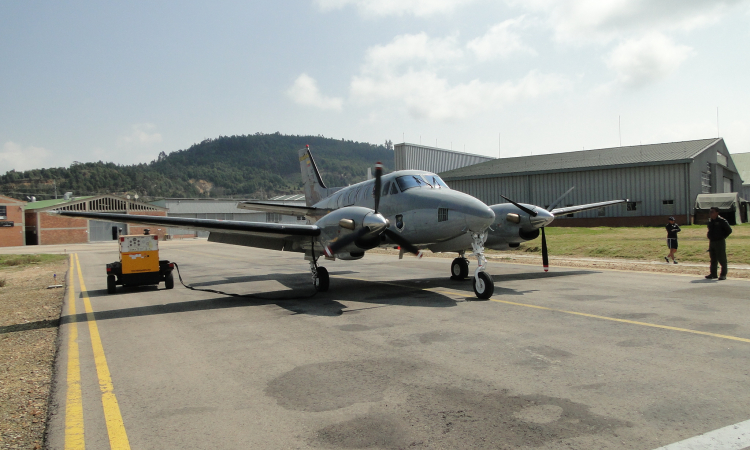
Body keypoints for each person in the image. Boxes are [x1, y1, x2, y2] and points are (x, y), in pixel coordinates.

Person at [705, 206, 732, 280]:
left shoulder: (722, 221)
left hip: (719, 242)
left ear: (717, 213)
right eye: (710, 212)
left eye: (712, 212)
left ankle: (723, 274)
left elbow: (729, 230)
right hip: (712, 242)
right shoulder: (710, 221)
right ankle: (713, 274)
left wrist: (722, 237)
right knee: (713, 258)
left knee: (722, 258)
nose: (710, 213)